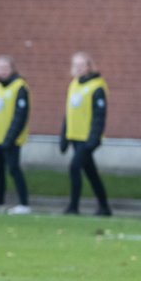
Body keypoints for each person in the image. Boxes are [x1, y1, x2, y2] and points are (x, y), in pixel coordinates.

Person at [61, 52, 112, 216]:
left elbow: (99, 116)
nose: (77, 68)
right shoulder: (74, 84)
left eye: (81, 65)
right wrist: (63, 136)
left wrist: (94, 138)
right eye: (75, 65)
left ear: (89, 66)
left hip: (87, 138)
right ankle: (104, 207)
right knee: (91, 173)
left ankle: (73, 206)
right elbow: (68, 113)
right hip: (75, 136)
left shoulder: (97, 86)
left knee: (74, 167)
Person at [0, 55, 31, 214]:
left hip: (12, 139)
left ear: (12, 68)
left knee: (14, 169)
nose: (2, 71)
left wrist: (10, 137)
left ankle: (24, 203)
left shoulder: (20, 87)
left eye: (5, 68)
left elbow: (20, 115)